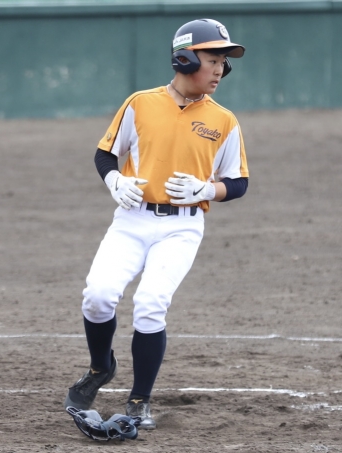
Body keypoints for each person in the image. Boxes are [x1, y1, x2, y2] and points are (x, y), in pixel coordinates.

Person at [64, 18, 249, 430]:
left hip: (182, 228)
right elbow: (105, 154)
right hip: (131, 220)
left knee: (150, 304)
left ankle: (139, 400)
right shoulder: (140, 103)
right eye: (212, 59)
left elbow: (238, 182)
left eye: (224, 62)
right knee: (98, 296)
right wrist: (115, 180)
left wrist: (207, 190)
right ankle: (100, 368)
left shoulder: (224, 121)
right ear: (184, 59)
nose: (220, 69)